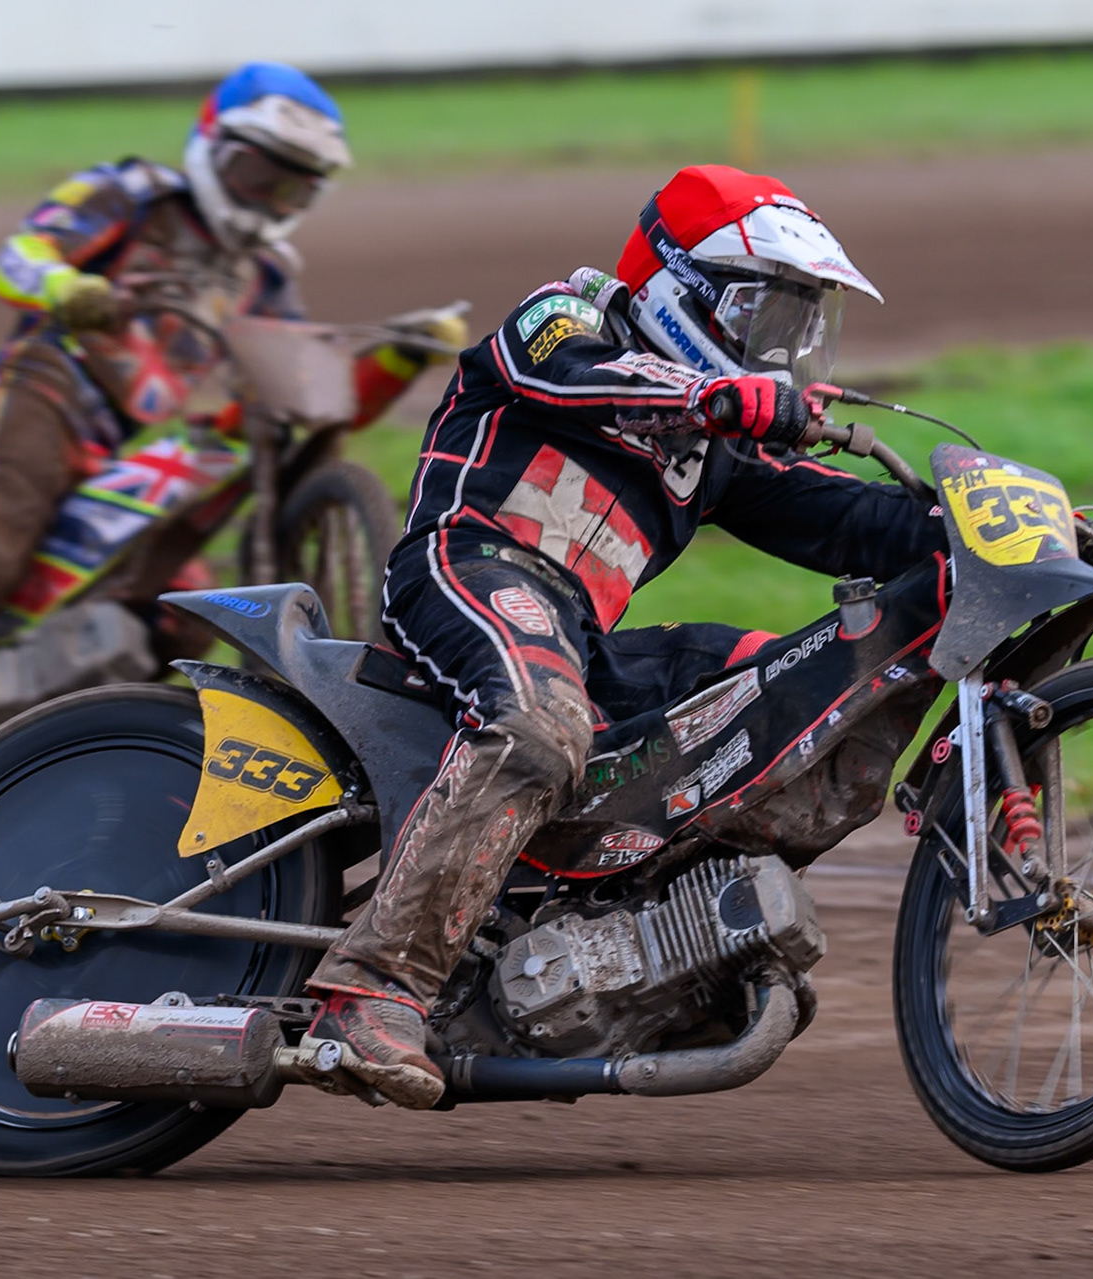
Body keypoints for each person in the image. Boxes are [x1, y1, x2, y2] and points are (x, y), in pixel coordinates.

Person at [302, 163, 950, 1108]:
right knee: (541, 728)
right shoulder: (563, 317)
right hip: (468, 566)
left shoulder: (715, 447)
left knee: (797, 695)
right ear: (680, 288)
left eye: (802, 323)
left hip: (578, 636)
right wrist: (714, 397)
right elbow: (575, 376)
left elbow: (848, 519)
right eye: (767, 314)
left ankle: (663, 946)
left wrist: (1007, 528)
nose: (783, 348)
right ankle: (371, 989)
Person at [0, 62, 448, 811]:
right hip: (49, 387)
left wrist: (398, 360)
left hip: (146, 445)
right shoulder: (131, 194)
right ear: (211, 146)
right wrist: (67, 287)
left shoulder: (269, 279)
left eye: (293, 188)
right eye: (257, 174)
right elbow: (18, 257)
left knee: (174, 613)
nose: (267, 200)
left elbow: (289, 397)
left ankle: (57, 761)